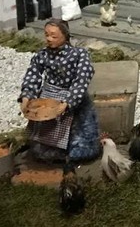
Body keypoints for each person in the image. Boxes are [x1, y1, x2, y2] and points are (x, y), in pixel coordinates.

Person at [17, 19, 102, 168]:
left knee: (80, 136)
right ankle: (50, 153)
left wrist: (68, 102)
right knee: (44, 137)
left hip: (73, 97)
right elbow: (33, 74)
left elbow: (82, 78)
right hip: (48, 99)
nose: (49, 39)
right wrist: (26, 97)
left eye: (54, 36)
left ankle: (75, 154)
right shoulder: (42, 55)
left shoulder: (79, 55)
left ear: (65, 35)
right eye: (46, 35)